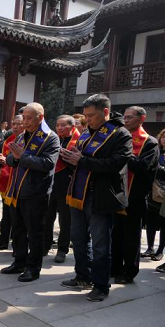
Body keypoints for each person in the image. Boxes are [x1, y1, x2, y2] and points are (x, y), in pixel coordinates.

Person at [61, 94, 132, 302]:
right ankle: (83, 276)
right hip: (78, 194)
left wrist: (82, 160)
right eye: (85, 116)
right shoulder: (85, 133)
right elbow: (80, 160)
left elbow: (115, 165)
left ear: (106, 112)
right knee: (79, 239)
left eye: (91, 116)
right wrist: (70, 157)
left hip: (101, 197)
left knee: (101, 245)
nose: (87, 120)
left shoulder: (121, 135)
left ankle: (101, 285)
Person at [1, 102, 59, 282]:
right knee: (17, 229)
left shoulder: (50, 138)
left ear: (40, 118)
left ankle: (33, 268)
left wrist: (23, 157)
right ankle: (19, 261)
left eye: (28, 118)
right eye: (23, 118)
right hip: (17, 190)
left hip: (36, 192)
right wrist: (14, 158)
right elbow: (11, 159)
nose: (24, 122)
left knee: (34, 232)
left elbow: (48, 164)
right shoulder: (21, 137)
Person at [111, 106, 158, 283]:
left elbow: (141, 167)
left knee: (131, 236)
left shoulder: (150, 142)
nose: (126, 120)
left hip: (135, 196)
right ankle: (114, 267)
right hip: (116, 194)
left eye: (130, 117)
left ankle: (129, 271)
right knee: (115, 234)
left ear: (142, 119)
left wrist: (124, 153)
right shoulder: (119, 137)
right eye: (125, 117)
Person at [43, 115, 80, 263]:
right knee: (47, 216)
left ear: (72, 127)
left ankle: (62, 249)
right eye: (57, 125)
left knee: (65, 219)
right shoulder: (53, 140)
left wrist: (64, 155)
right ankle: (45, 245)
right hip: (50, 183)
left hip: (66, 184)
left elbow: (77, 165)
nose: (59, 128)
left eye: (63, 125)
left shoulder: (78, 142)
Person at [0, 114, 24, 250]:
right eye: (14, 124)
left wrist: (9, 160)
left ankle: (17, 245)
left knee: (18, 218)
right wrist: (1, 159)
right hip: (7, 182)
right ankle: (3, 240)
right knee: (6, 214)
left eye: (19, 124)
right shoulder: (8, 140)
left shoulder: (29, 140)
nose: (15, 127)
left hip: (20, 184)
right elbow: (4, 161)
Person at [144, 128, 165, 263]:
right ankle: (150, 247)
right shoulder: (156, 150)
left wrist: (157, 167)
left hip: (163, 192)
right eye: (163, 136)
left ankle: (160, 250)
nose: (164, 139)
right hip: (152, 191)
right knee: (150, 221)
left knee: (163, 223)